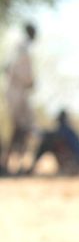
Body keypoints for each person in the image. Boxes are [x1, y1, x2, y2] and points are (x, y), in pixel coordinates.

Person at [2, 23, 37, 174]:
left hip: (20, 93)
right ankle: (7, 163)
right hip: (15, 93)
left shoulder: (23, 48)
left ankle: (14, 163)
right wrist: (27, 81)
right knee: (19, 128)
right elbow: (9, 68)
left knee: (23, 129)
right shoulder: (21, 47)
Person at [28, 110, 79, 175]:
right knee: (50, 142)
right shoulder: (68, 130)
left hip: (77, 161)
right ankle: (32, 167)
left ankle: (32, 167)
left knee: (48, 142)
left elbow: (55, 137)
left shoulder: (65, 130)